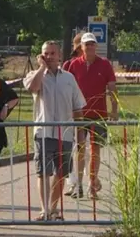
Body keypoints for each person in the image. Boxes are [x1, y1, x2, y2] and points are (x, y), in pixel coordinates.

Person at [22, 41, 85, 222]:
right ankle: (44, 209)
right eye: (45, 53)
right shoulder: (35, 75)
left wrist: (80, 133)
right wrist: (42, 68)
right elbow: (32, 88)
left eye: (52, 53)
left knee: (61, 172)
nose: (49, 57)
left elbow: (77, 107)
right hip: (44, 132)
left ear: (59, 56)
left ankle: (54, 208)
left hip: (65, 133)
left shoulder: (69, 78)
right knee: (43, 171)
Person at [63, 32, 118, 200]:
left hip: (99, 114)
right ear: (81, 47)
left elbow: (112, 88)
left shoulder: (105, 64)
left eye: (92, 44)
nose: (90, 47)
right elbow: (67, 88)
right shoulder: (74, 65)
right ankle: (78, 185)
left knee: (95, 150)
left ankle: (92, 185)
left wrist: (114, 109)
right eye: (87, 44)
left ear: (96, 46)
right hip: (79, 114)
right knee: (79, 148)